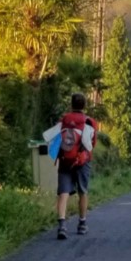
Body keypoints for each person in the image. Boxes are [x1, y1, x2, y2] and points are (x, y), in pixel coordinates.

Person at [56, 92, 97, 240]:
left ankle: (62, 225)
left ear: (71, 104)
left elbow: (56, 138)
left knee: (63, 192)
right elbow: (92, 144)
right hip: (82, 161)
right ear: (84, 105)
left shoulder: (64, 120)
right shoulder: (89, 121)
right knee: (83, 191)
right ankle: (82, 224)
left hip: (65, 159)